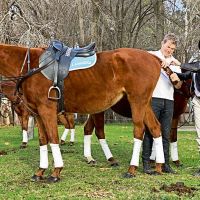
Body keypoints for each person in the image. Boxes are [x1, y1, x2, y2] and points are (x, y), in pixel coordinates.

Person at [142, 33, 183, 174]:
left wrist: (171, 72)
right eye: (168, 46)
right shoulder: (151, 55)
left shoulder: (175, 62)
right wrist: (158, 65)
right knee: (149, 131)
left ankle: (165, 164)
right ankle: (146, 164)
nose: (169, 50)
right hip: (153, 98)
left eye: (172, 48)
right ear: (162, 43)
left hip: (169, 100)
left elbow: (178, 86)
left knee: (166, 133)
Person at [173, 49, 200, 176]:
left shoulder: (197, 65)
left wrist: (178, 64)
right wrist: (170, 71)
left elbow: (195, 67)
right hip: (197, 101)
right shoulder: (195, 66)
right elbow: (184, 75)